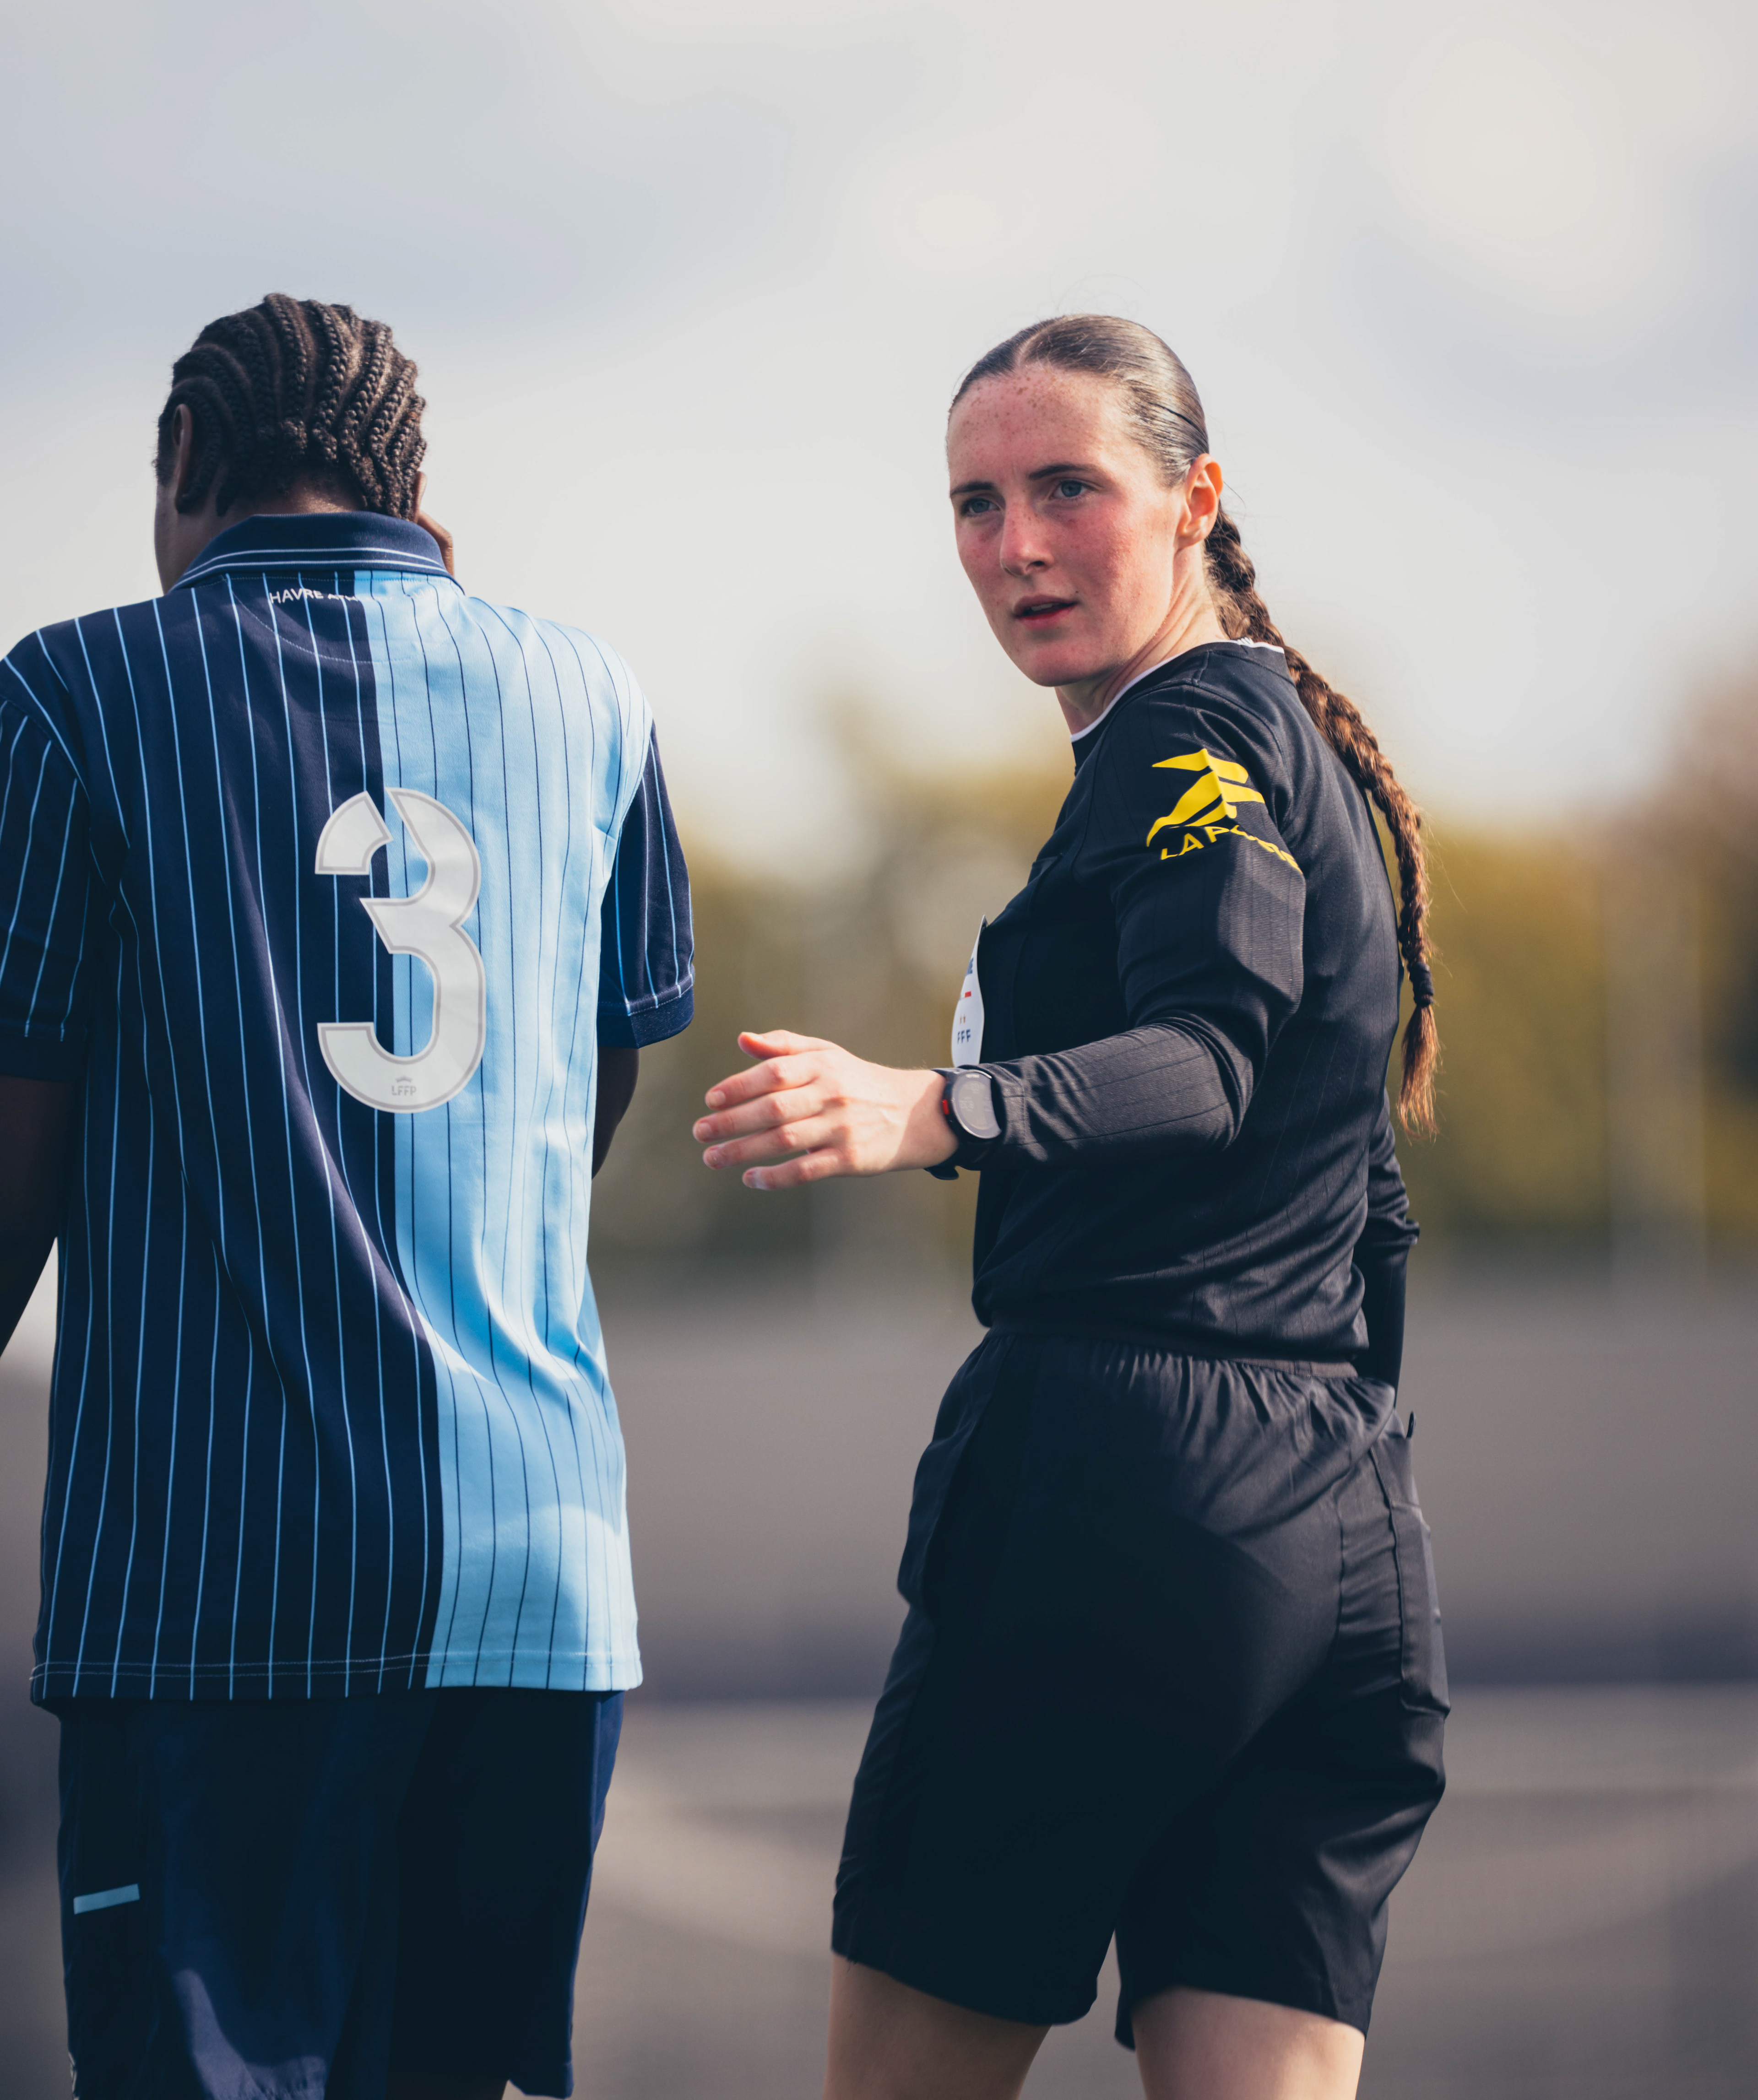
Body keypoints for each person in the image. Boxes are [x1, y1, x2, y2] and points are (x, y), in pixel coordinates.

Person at [695, 314, 1446, 2100]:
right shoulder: (1281, 740)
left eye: (1067, 489)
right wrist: (1311, 1487)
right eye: (975, 503)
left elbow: (1207, 1063)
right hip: (1340, 1532)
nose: (1016, 544)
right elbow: (1371, 1207)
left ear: (1195, 499)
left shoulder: (1186, 733)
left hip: (1126, 1503)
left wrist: (935, 1108)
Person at [0, 296, 693, 2100]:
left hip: (217, 1594)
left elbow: (17, 1143)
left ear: (184, 460)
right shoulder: (595, 698)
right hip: (542, 1587)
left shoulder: (73, 693)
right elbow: (593, 1083)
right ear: (409, 480)